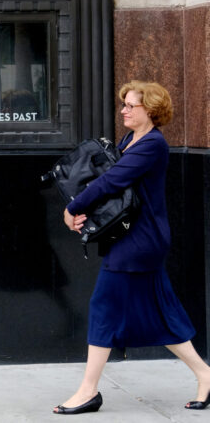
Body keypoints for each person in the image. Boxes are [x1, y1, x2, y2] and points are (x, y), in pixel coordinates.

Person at [53, 81, 210, 414]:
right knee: (162, 312)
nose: (123, 109)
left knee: (102, 308)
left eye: (130, 105)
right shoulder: (131, 140)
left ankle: (88, 391)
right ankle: (206, 375)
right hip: (135, 239)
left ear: (149, 110)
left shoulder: (152, 145)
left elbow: (112, 181)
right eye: (123, 103)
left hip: (140, 242)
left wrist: (72, 207)